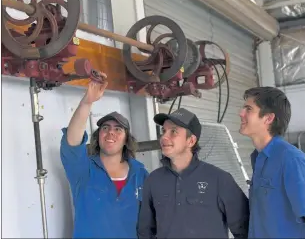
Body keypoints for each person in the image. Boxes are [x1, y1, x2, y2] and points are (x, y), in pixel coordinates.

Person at [137, 108, 250, 238]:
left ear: (191, 141)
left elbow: (245, 230)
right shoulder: (153, 180)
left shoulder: (219, 179)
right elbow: (145, 231)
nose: (164, 137)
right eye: (164, 131)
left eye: (173, 131)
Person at [60, 74, 149, 238]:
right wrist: (87, 101)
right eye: (105, 128)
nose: (110, 133)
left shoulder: (141, 174)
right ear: (98, 136)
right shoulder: (83, 170)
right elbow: (72, 142)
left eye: (118, 129)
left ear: (126, 140)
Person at [239, 86, 305, 238]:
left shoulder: (290, 159)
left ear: (268, 118)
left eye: (248, 109)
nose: (241, 113)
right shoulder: (258, 158)